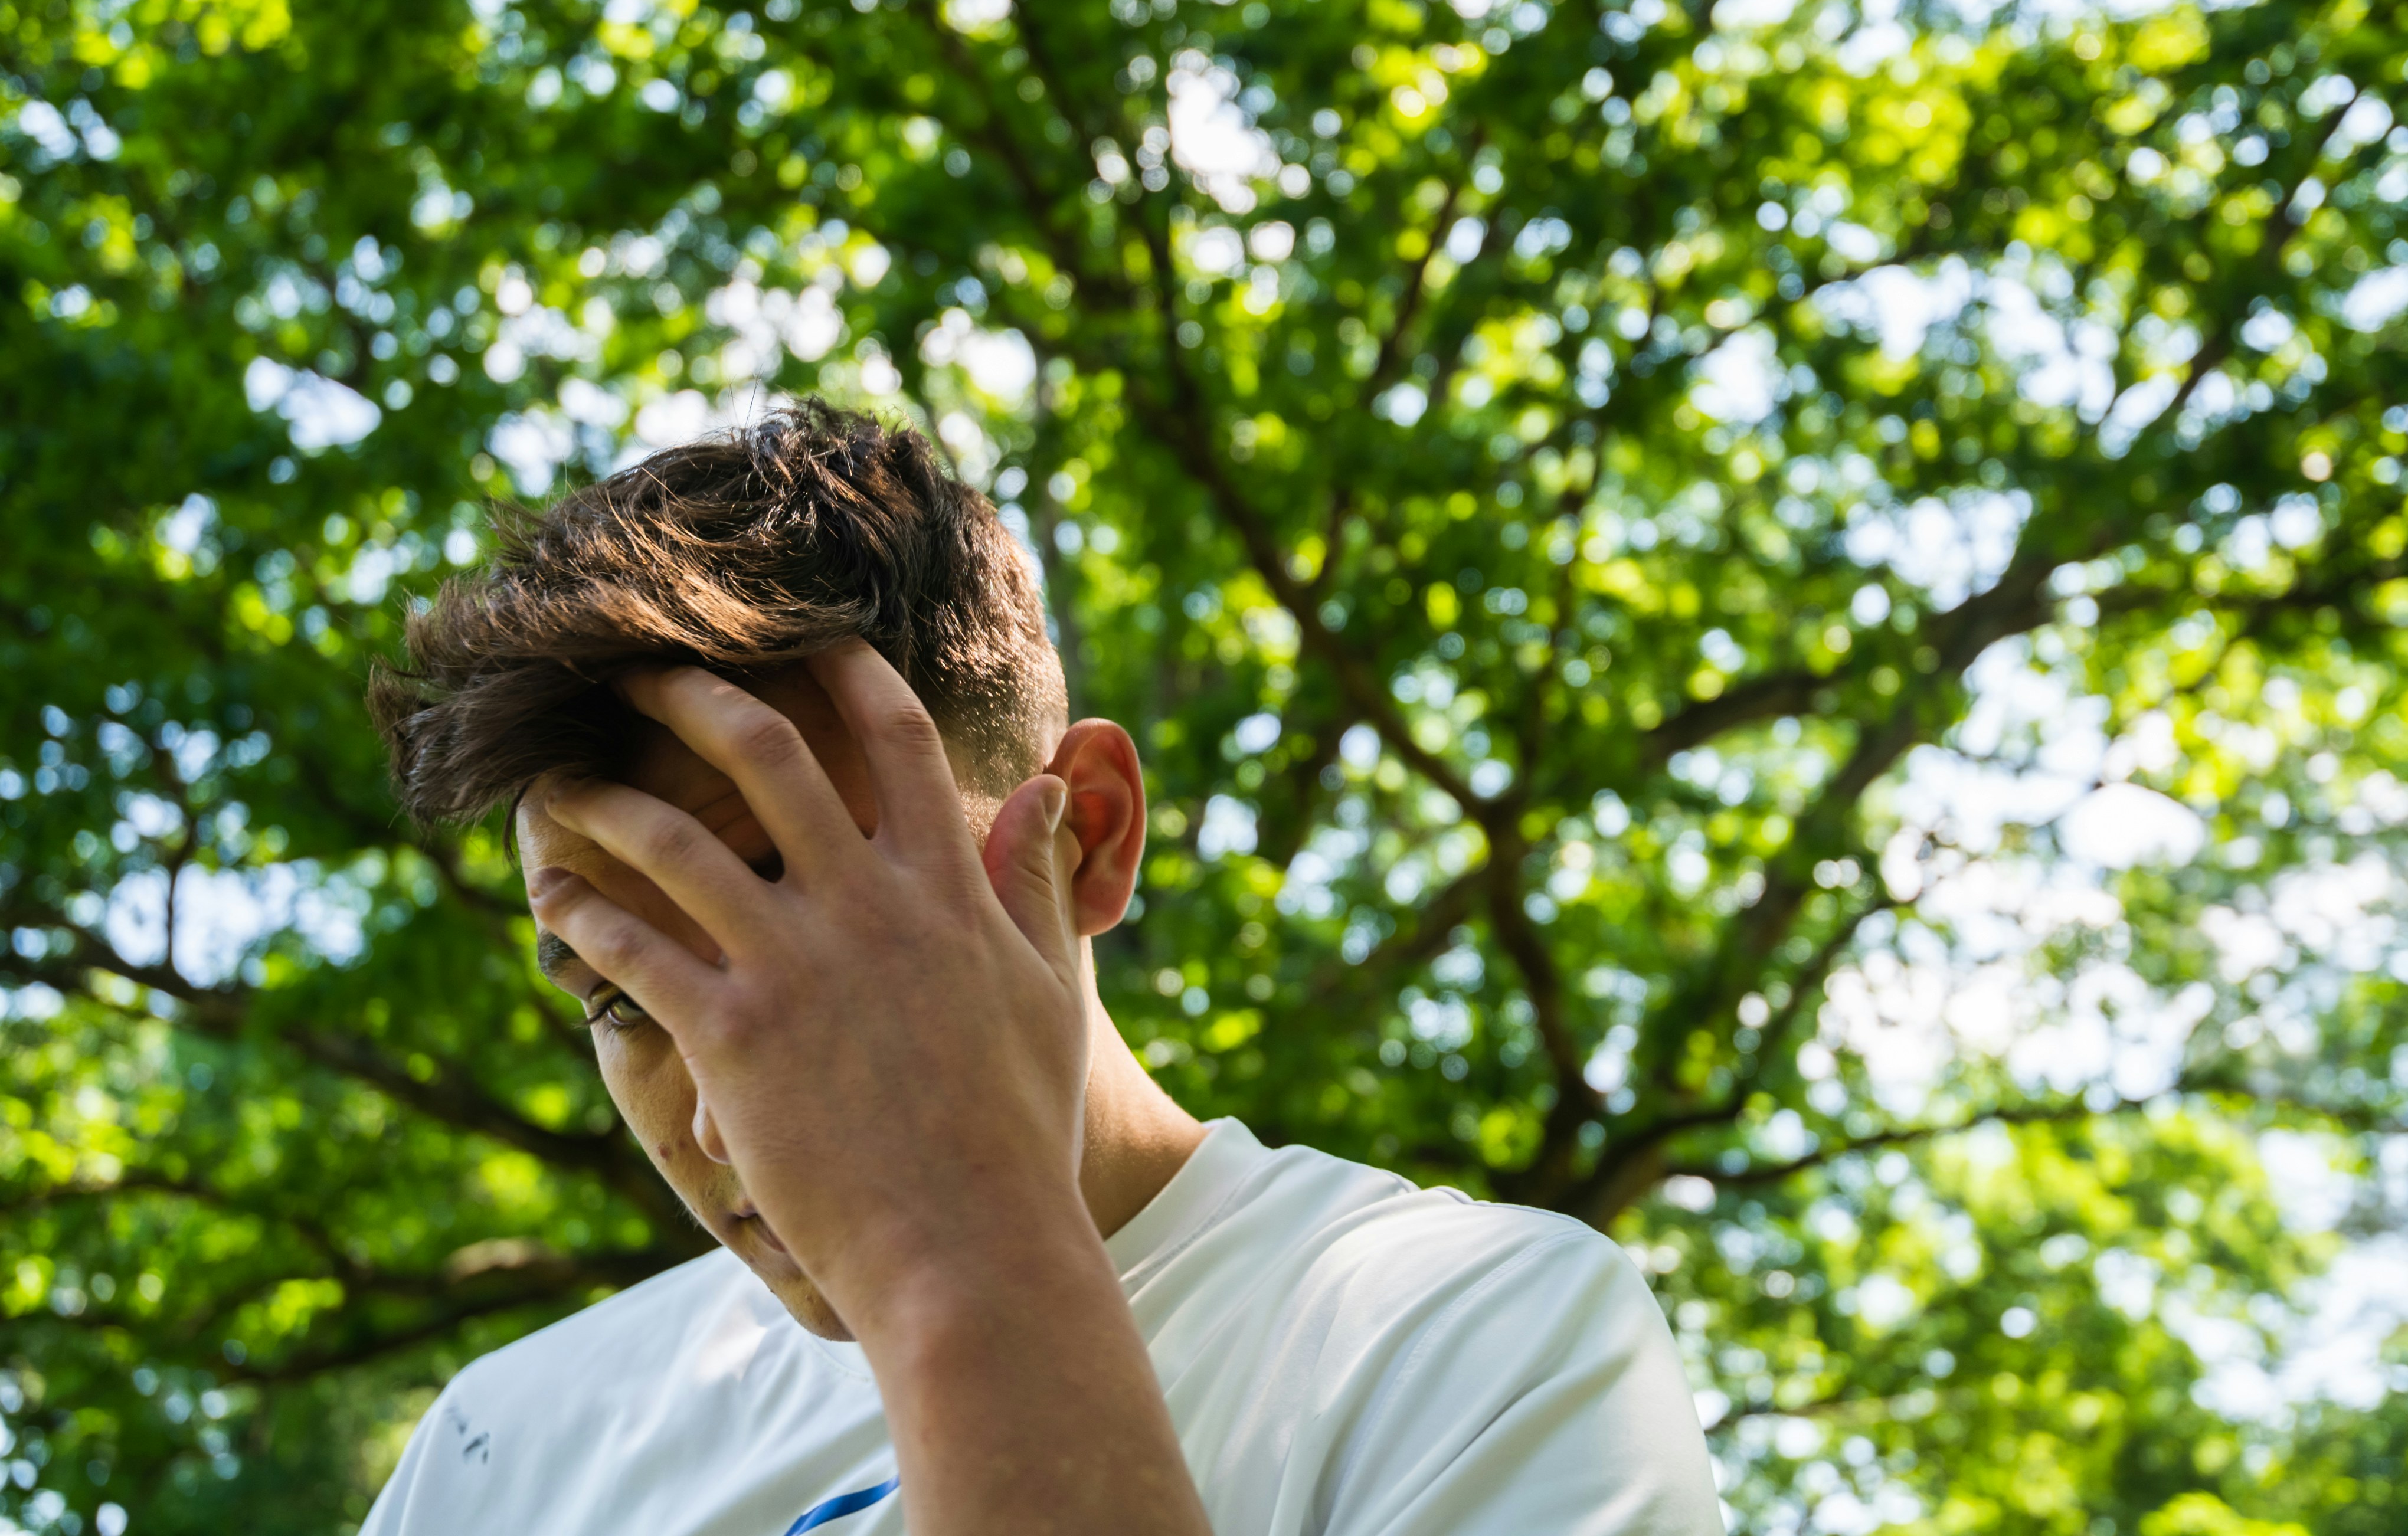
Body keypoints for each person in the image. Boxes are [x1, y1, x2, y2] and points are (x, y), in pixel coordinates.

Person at [362, 401, 1723, 1535]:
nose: (727, 1116)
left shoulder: (1478, 1346)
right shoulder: (507, 1450)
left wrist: (947, 1239)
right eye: (624, 998)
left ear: (1091, 837)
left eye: (814, 933)